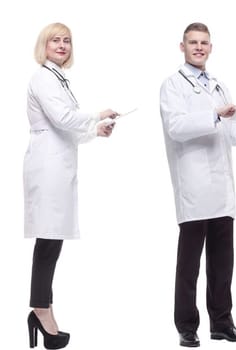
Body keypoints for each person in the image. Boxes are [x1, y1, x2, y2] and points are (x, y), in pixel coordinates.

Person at [159, 22, 236, 348]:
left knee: (223, 262)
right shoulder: (172, 85)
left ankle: (222, 322)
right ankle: (186, 327)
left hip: (221, 188)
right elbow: (176, 126)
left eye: (204, 43)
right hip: (193, 185)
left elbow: (231, 133)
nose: (198, 47)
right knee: (189, 265)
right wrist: (216, 115)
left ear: (210, 47)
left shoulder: (220, 85)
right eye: (192, 42)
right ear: (182, 47)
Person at [24, 22, 118, 350]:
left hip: (58, 164)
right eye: (55, 40)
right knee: (48, 241)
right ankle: (40, 309)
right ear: (44, 45)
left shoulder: (58, 79)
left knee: (52, 240)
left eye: (66, 40)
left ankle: (42, 308)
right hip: (48, 167)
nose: (62, 45)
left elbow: (65, 126)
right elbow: (64, 119)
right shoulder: (42, 78)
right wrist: (97, 114)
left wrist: (96, 131)